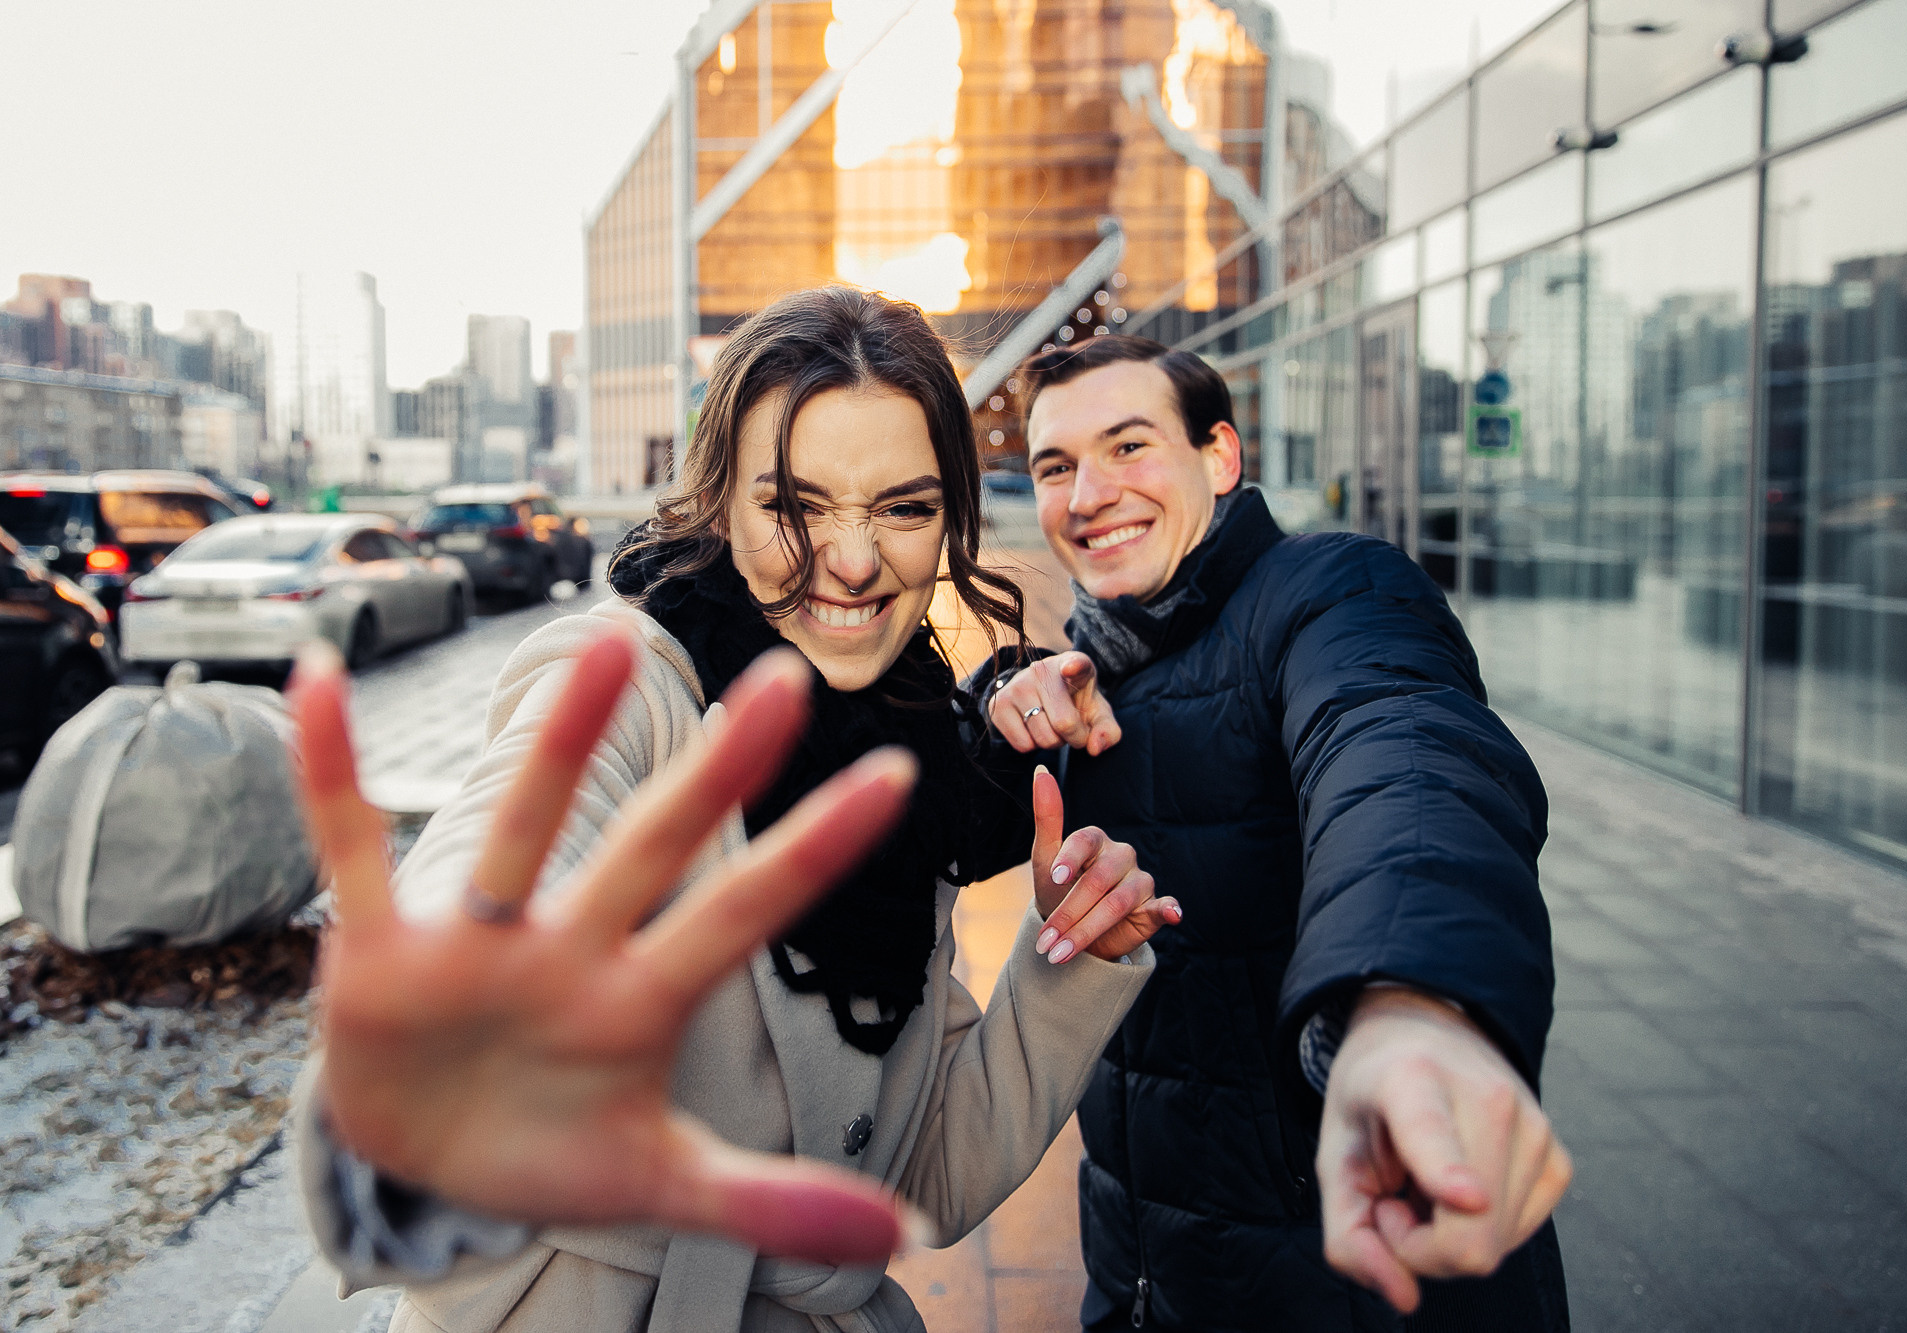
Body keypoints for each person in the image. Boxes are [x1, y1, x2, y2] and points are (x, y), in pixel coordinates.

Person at [286, 288, 1181, 1333]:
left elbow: (926, 1180)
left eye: (903, 507)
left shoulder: (907, 753)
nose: (851, 561)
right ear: (719, 501)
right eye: (794, 506)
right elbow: (521, 815)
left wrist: (1061, 961)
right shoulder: (633, 679)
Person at [978, 335, 1572, 1330]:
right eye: (1055, 466)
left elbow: (1399, 749)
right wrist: (995, 690)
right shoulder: (1088, 665)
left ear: (1219, 457)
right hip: (1143, 1274)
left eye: (1129, 447)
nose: (1086, 495)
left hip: (1349, 1276)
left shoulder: (1332, 593)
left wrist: (1408, 999)